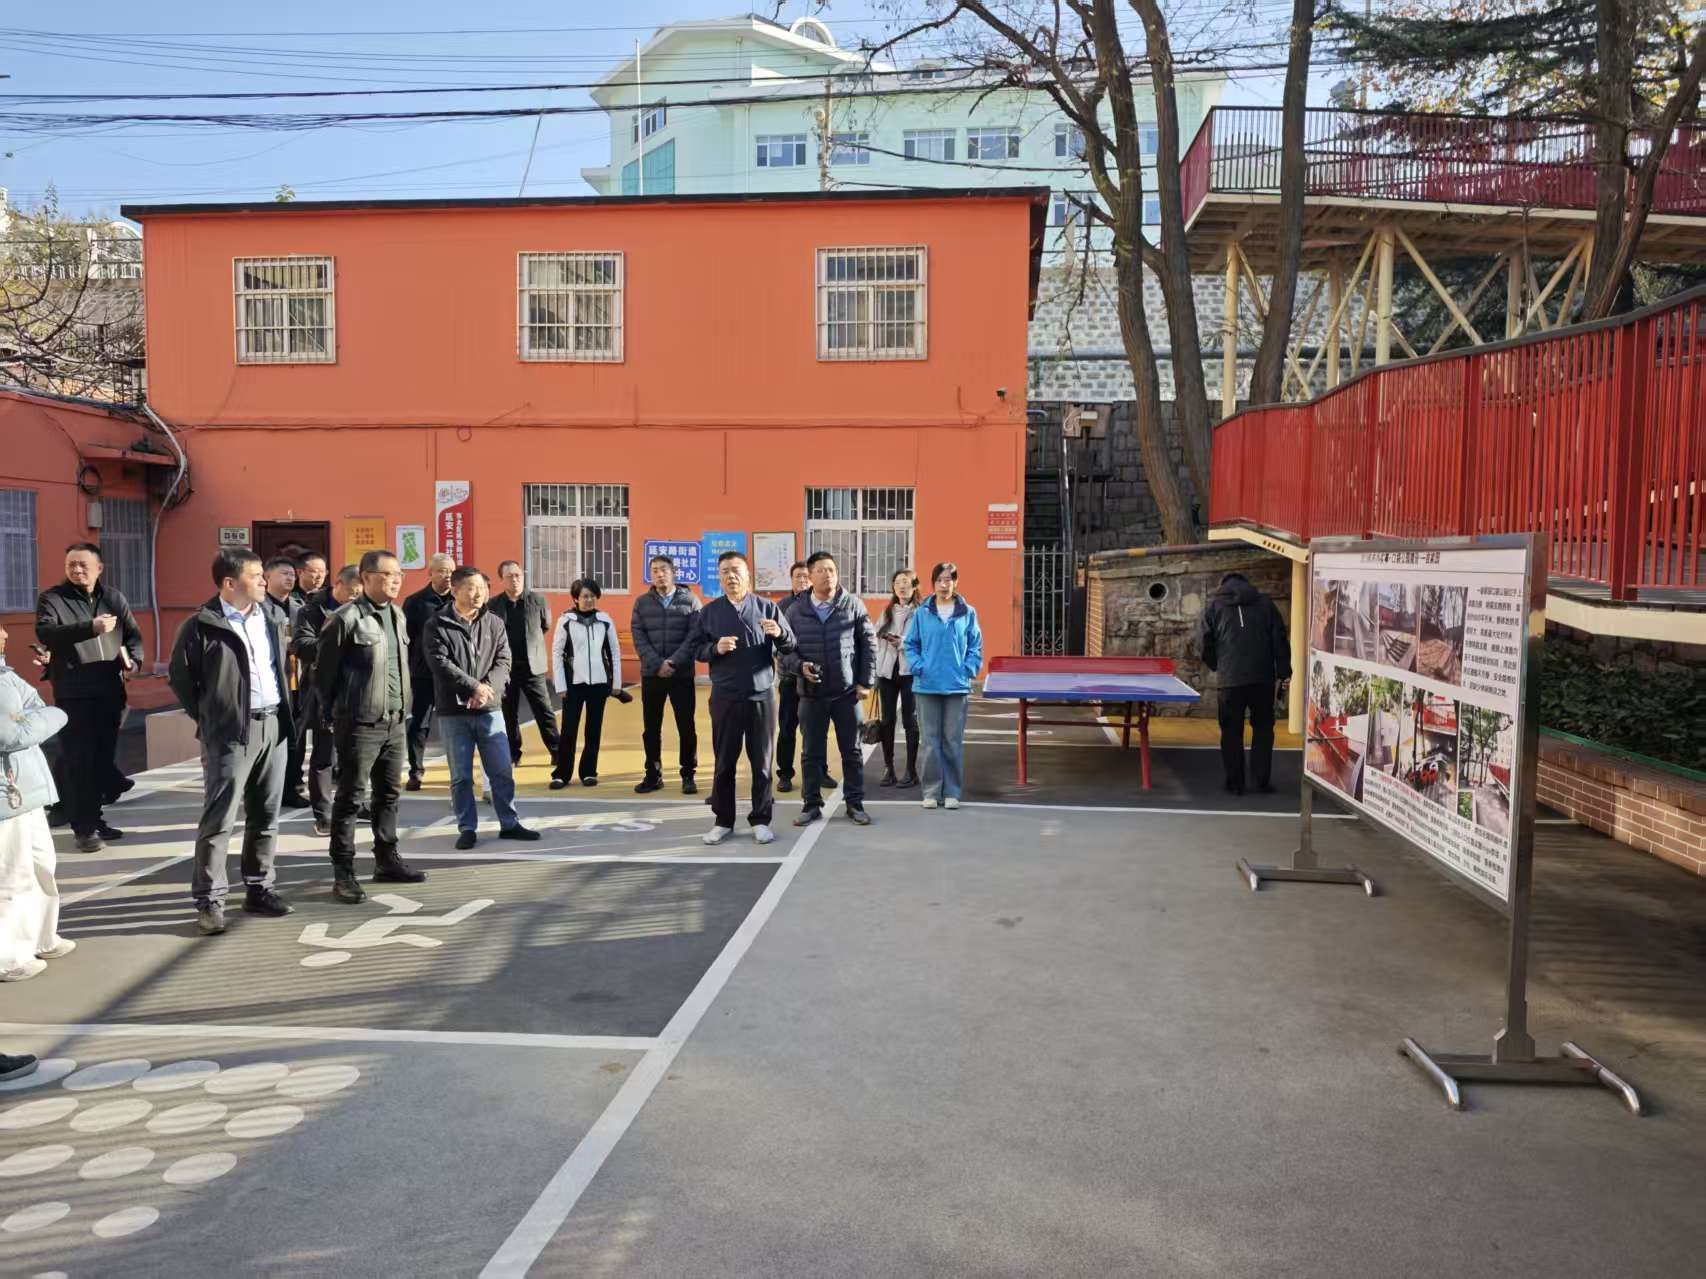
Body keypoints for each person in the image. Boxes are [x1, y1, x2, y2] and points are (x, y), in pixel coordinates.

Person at [167, 548, 297, 936]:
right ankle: (210, 900)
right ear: (229, 582)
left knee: (266, 815)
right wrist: (212, 716)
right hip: (229, 735)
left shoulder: (272, 616)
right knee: (220, 819)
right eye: (256, 575)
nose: (263, 581)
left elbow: (281, 667)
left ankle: (259, 888)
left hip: (273, 726)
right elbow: (181, 678)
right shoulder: (201, 625)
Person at [316, 548, 428, 904]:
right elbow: (324, 675)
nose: (395, 581)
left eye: (399, 575)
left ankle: (386, 860)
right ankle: (343, 872)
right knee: (351, 799)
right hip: (359, 723)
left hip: (395, 721)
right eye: (387, 575)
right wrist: (336, 714)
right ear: (365, 578)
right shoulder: (345, 619)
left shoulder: (398, 614)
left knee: (388, 795)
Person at [34, 542, 143, 853]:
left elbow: (132, 635)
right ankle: (84, 829)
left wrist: (134, 661)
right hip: (74, 693)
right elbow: (46, 633)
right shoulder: (53, 599)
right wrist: (90, 628)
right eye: (71, 565)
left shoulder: (114, 598)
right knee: (79, 760)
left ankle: (96, 818)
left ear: (99, 568)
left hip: (110, 690)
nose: (77, 570)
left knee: (101, 759)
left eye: (83, 564)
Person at [424, 567, 540, 849]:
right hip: (454, 713)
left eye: (483, 588)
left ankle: (509, 823)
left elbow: (503, 661)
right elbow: (440, 663)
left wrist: (486, 689)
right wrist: (472, 687)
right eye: (472, 588)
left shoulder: (494, 622)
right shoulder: (437, 624)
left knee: (501, 770)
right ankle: (467, 827)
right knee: (461, 776)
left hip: (489, 709)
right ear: (455, 590)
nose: (479, 594)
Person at [691, 551, 795, 845]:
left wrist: (779, 633)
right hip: (725, 695)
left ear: (748, 575)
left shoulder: (767, 608)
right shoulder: (709, 613)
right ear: (719, 577)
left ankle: (760, 819)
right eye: (725, 571)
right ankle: (723, 820)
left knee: (761, 762)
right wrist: (715, 648)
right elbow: (696, 649)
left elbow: (791, 644)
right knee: (724, 761)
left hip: (761, 695)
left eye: (736, 570)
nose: (731, 576)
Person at [0, 622, 75, 981]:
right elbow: (10, 734)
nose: (4, 635)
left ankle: (43, 937)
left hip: (25, 788)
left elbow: (39, 711)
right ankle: (9, 957)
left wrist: (34, 718)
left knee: (42, 864)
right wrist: (38, 718)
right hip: (7, 793)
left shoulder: (6, 676)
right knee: (11, 876)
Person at [782, 551, 876, 828]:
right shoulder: (795, 610)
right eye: (821, 570)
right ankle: (811, 804)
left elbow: (869, 645)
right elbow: (784, 650)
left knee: (852, 751)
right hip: (811, 695)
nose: (828, 575)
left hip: (846, 694)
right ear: (810, 577)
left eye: (832, 570)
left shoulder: (853, 605)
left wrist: (865, 682)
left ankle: (855, 804)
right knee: (811, 752)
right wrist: (799, 667)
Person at [1200, 571, 1291, 796]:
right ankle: (1261, 781)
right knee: (1263, 728)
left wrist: (1218, 665)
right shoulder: (1266, 605)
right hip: (1262, 678)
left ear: (1223, 586)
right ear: (1247, 584)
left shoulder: (1214, 607)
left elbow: (1204, 642)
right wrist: (1283, 672)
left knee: (1231, 731)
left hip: (1229, 680)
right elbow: (1280, 639)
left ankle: (1235, 783)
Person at [904, 562, 983, 812]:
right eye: (939, 580)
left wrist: (968, 669)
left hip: (956, 686)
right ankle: (930, 791)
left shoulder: (967, 612)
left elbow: (975, 646)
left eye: (949, 579)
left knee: (952, 741)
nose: (944, 584)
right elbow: (911, 644)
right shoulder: (922, 613)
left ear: (956, 582)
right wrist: (919, 666)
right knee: (930, 741)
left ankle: (951, 792)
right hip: (926, 685)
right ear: (933, 583)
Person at [293, 564, 365, 836]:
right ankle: (323, 814)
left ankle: (355, 804)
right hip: (324, 690)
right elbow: (301, 645)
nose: (356, 599)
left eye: (360, 594)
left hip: (359, 690)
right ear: (339, 584)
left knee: (357, 754)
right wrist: (336, 644)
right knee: (324, 755)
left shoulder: (365, 608)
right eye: (353, 593)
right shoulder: (311, 610)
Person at [631, 554, 701, 795]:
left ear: (674, 572)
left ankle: (688, 775)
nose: (659, 574)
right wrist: (656, 663)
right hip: (652, 675)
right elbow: (638, 636)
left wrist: (673, 662)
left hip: (681, 675)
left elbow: (694, 636)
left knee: (686, 726)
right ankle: (653, 775)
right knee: (651, 728)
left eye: (664, 569)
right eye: (655, 570)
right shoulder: (642, 603)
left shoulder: (690, 600)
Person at [550, 579, 624, 788]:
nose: (589, 599)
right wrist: (560, 685)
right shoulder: (566, 620)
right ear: (576, 598)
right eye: (585, 596)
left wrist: (616, 683)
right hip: (574, 684)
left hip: (599, 684)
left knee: (594, 729)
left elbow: (614, 652)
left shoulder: (605, 620)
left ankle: (589, 772)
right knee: (569, 730)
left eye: (592, 596)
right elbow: (557, 653)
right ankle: (561, 774)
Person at [488, 560, 562, 769]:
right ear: (501, 580)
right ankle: (513, 754)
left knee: (544, 711)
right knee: (508, 713)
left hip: (532, 667)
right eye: (510, 576)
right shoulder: (493, 605)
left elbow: (545, 625)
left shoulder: (537, 600)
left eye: (518, 575)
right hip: (505, 669)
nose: (515, 579)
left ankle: (557, 752)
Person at [403, 552, 456, 791]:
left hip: (453, 673)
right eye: (442, 571)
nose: (447, 576)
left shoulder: (459, 600)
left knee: (456, 722)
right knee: (420, 722)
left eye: (451, 571)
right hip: (423, 673)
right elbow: (408, 639)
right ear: (430, 573)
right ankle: (416, 771)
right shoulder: (415, 602)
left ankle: (458, 771)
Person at [261, 557, 309, 808]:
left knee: (296, 738)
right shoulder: (259, 608)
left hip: (298, 682)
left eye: (292, 574)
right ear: (267, 577)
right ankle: (270, 788)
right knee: (274, 739)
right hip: (272, 684)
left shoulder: (301, 608)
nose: (290, 578)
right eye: (284, 574)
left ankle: (292, 785)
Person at [874, 569, 921, 789]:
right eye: (897, 582)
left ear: (914, 586)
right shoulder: (887, 612)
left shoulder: (921, 613)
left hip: (909, 672)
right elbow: (874, 640)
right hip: (887, 672)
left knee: (910, 721)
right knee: (887, 721)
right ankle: (888, 768)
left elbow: (923, 641)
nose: (902, 586)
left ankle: (911, 771)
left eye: (906, 582)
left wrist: (901, 642)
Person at [773, 561, 811, 794]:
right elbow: (777, 644)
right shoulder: (782, 606)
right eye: (798, 576)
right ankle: (785, 774)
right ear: (792, 579)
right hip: (790, 678)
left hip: (814, 678)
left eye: (806, 576)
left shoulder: (819, 604)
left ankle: (819, 771)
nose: (803, 580)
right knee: (787, 728)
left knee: (814, 729)